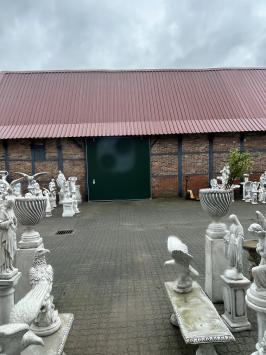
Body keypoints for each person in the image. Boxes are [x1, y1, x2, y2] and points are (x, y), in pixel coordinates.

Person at [0, 191, 17, 277]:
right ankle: (5, 268)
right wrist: (9, 222)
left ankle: (10, 266)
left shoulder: (10, 210)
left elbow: (14, 220)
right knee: (6, 251)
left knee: (12, 250)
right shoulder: (2, 211)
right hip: (5, 235)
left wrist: (14, 221)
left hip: (11, 233)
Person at [224, 214, 244, 279]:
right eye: (231, 220)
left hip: (236, 244)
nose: (232, 221)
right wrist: (227, 238)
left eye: (232, 220)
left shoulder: (239, 227)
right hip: (231, 243)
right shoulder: (232, 226)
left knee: (236, 256)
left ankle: (237, 269)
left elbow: (240, 236)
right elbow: (229, 233)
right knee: (231, 255)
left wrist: (237, 240)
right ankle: (233, 268)